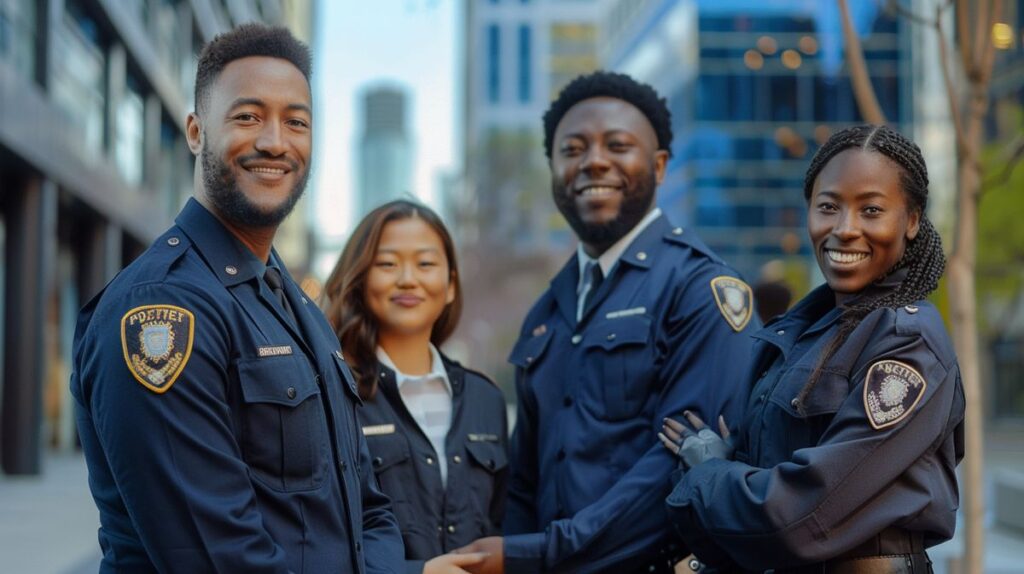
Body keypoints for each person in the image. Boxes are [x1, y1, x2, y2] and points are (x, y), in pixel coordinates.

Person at [70, 24, 403, 573]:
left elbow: (368, 511)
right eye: (248, 116)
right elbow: (216, 557)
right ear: (196, 132)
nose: (276, 141)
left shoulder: (296, 308)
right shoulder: (162, 310)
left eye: (296, 122)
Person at [457, 71, 758, 573]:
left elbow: (681, 472)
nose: (594, 160)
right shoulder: (547, 312)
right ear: (553, 168)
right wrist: (519, 553)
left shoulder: (701, 291)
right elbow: (526, 480)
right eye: (572, 149)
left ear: (660, 166)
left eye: (617, 146)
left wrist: (536, 556)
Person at [661, 125, 965, 573]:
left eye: (872, 210)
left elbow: (803, 514)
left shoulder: (905, 342)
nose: (845, 229)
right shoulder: (803, 333)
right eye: (828, 207)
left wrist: (707, 472)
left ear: (913, 221)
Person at [322, 199, 507, 574]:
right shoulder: (335, 393)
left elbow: (506, 522)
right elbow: (321, 538)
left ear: (451, 285)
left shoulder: (486, 399)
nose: (408, 279)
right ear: (360, 280)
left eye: (425, 264)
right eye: (388, 264)